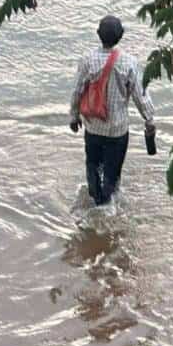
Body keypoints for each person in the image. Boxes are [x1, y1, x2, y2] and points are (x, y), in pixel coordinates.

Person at [69, 15, 156, 206]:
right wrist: (149, 120)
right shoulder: (129, 62)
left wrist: (74, 117)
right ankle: (108, 205)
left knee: (93, 165)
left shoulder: (87, 61)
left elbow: (77, 91)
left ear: (98, 34)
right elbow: (140, 95)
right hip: (118, 130)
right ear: (121, 35)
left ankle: (96, 201)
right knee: (113, 172)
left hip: (93, 127)